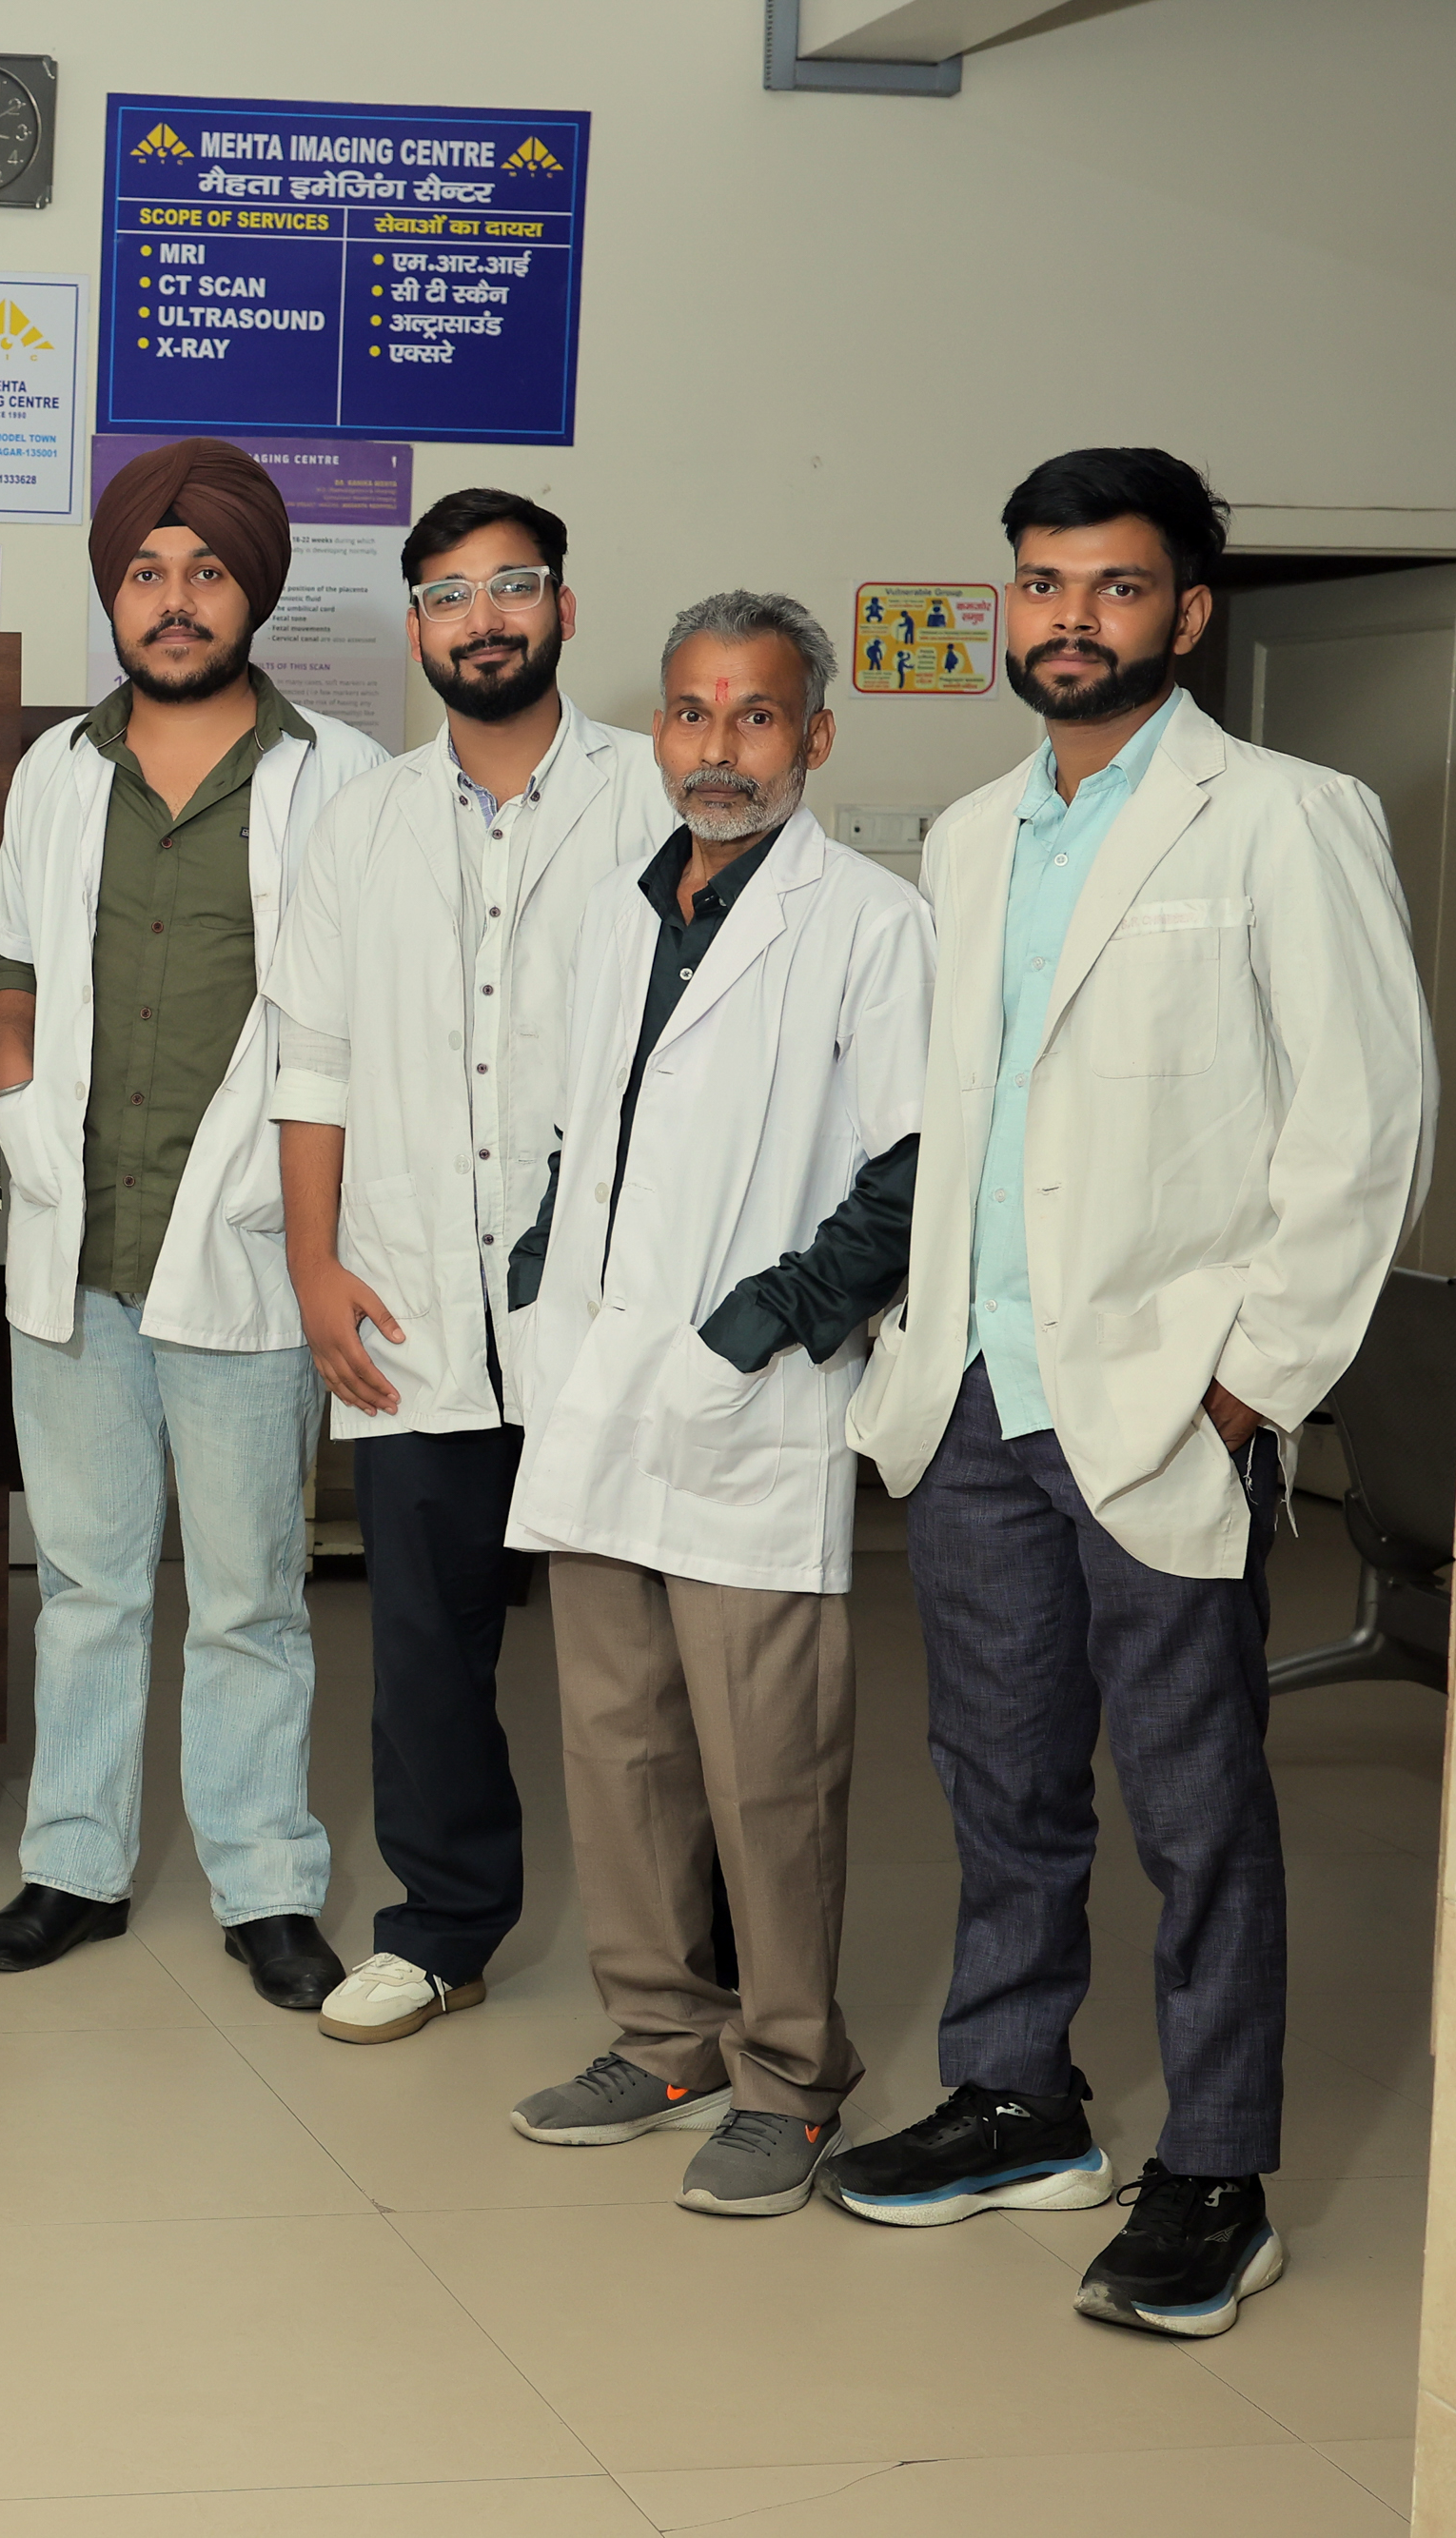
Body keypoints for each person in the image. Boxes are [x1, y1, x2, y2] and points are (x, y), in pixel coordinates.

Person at [831, 449, 1434, 2336]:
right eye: (1040, 583)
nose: (1069, 618)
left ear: (1185, 609)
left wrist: (1249, 1388)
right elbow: (956, 1121)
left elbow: (1366, 1122)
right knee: (997, 1780)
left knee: (1193, 1799)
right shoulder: (967, 836)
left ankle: (1218, 2173)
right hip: (979, 1396)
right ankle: (1018, 2097)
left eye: (1110, 585)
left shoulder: (1284, 816)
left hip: (1165, 1400)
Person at [497, 593, 934, 2217]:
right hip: (599, 1384)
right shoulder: (624, 909)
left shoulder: (871, 924)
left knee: (767, 1767)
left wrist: (757, 1327)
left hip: (748, 1397)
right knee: (616, 1744)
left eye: (756, 716)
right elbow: (583, 1134)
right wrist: (542, 1285)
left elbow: (911, 1173)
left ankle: (793, 2075)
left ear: (814, 735)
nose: (719, 747)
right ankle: (661, 2036)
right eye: (692, 712)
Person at [0, 439, 390, 1983]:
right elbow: (10, 967)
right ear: (115, 593)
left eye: (207, 571)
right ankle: (73, 1868)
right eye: (146, 571)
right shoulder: (55, 772)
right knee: (84, 1585)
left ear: (253, 590)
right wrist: (19, 1101)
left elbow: (377, 1016)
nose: (175, 598)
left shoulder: (342, 777)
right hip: (79, 1241)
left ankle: (264, 1885)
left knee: (250, 1597)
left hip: (251, 1250)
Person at [268, 489, 675, 2038]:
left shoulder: (656, 795)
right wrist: (314, 1261)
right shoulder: (359, 823)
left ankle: (688, 1947)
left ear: (564, 608)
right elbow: (313, 1056)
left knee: (642, 1652)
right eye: (448, 594)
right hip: (413, 1297)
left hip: (612, 1308)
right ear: (417, 629)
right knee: (425, 1649)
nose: (482, 618)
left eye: (511, 586)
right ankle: (442, 1927)